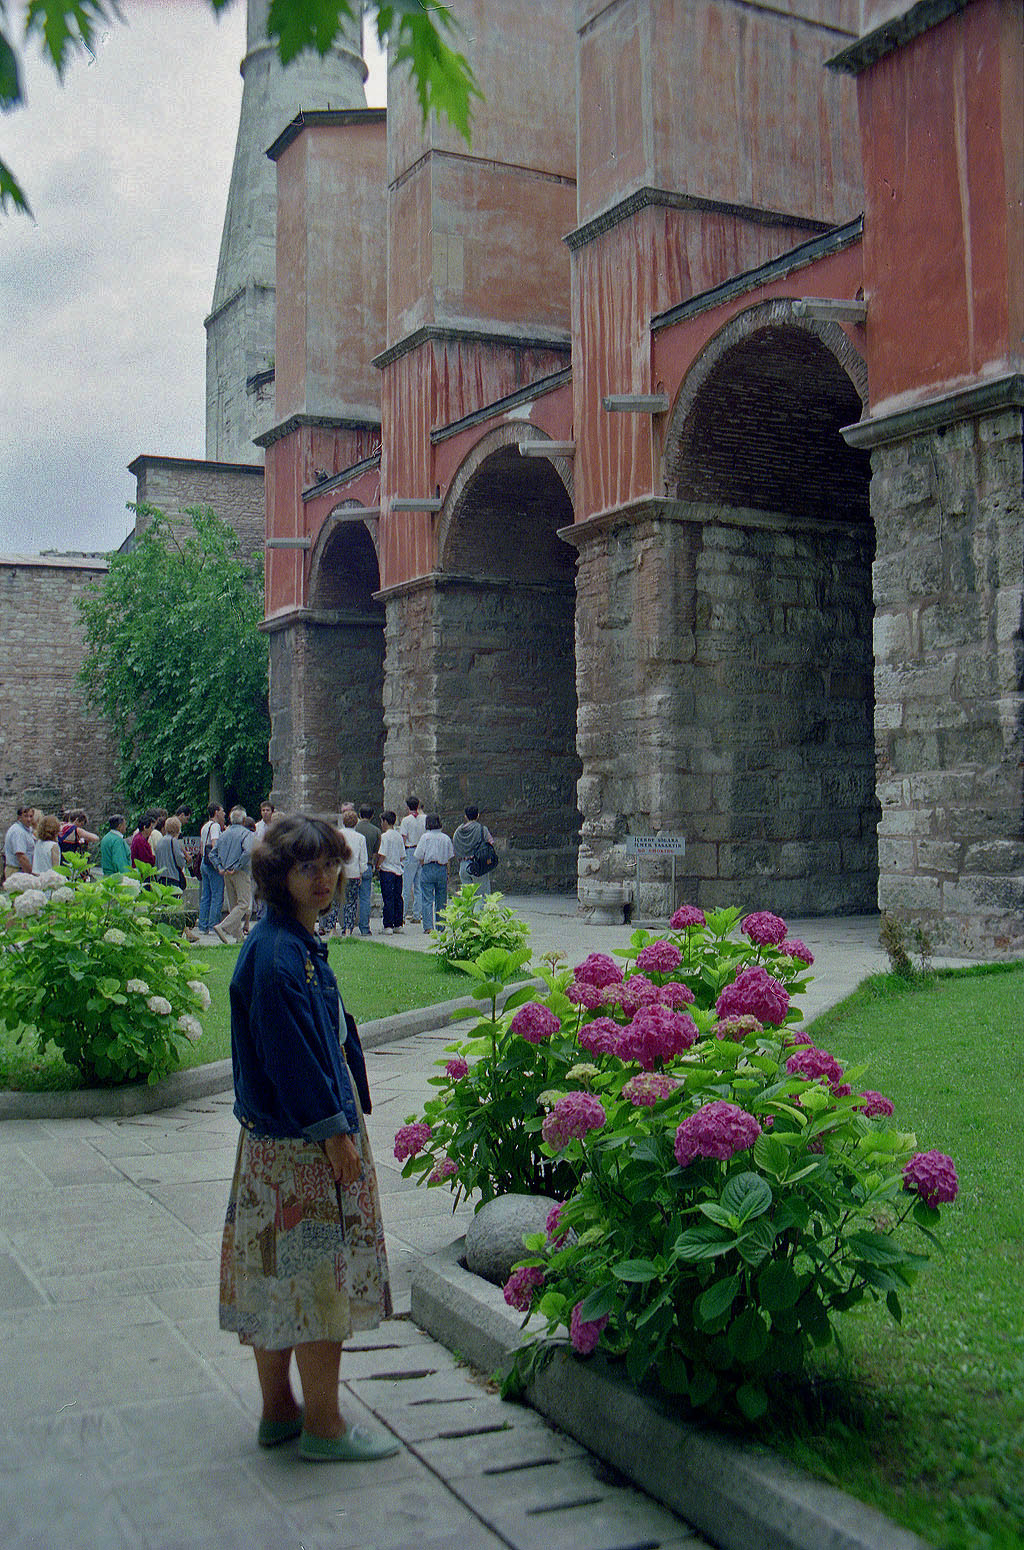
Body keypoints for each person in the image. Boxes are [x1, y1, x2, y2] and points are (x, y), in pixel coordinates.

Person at [218, 813, 397, 1464]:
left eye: (330, 864)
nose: (324, 878)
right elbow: (292, 1057)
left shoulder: (287, 942)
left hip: (278, 1148)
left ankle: (279, 1413)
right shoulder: (278, 954)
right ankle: (322, 1425)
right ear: (278, 875)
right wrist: (335, 1136)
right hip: (302, 1150)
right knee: (317, 1283)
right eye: (307, 867)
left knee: (275, 1279)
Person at [211, 806, 254, 943]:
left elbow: (212, 853)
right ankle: (223, 927)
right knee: (244, 903)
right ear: (243, 820)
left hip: (226, 873)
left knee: (233, 904)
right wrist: (237, 866)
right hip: (240, 872)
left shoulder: (224, 834)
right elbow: (247, 852)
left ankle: (238, 937)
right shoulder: (246, 834)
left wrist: (220, 867)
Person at [413, 814, 454, 933]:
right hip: (441, 868)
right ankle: (441, 925)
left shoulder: (425, 837)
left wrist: (423, 864)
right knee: (441, 899)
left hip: (428, 867)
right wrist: (448, 872)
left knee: (427, 898)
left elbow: (419, 855)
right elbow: (449, 857)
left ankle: (428, 926)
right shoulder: (445, 838)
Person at [452, 804, 495, 899]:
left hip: (463, 866)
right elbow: (490, 843)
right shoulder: (482, 829)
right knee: (482, 896)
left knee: (468, 899)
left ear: (465, 816)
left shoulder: (458, 831)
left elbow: (454, 847)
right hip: (479, 866)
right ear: (478, 815)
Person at [198, 803, 226, 935]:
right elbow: (215, 844)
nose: (224, 814)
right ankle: (213, 925)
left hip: (204, 863)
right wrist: (220, 863)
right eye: (222, 811)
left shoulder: (205, 826)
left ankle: (202, 925)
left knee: (206, 895)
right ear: (216, 812)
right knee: (216, 895)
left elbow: (202, 845)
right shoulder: (215, 826)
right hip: (212, 864)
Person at [339, 812, 368, 937]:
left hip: (339, 872)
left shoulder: (337, 835)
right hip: (354, 872)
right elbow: (363, 859)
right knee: (351, 902)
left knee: (335, 902)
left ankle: (331, 929)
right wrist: (361, 872)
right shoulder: (360, 838)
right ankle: (348, 929)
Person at [376, 811, 405, 935]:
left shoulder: (385, 836)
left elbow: (382, 854)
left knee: (388, 898)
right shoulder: (398, 836)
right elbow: (402, 855)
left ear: (385, 822)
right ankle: (398, 923)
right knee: (398, 897)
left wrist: (378, 864)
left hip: (387, 870)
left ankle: (388, 925)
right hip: (398, 870)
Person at [354, 805, 381, 937]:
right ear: (372, 815)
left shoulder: (355, 829)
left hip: (353, 867)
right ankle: (365, 928)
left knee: (350, 898)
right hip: (368, 865)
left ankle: (347, 926)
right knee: (365, 898)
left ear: (359, 814)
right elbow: (376, 852)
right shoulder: (376, 831)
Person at [399, 797, 425, 924]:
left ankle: (402, 915)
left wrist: (401, 854)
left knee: (407, 885)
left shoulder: (406, 820)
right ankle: (417, 914)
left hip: (409, 850)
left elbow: (403, 838)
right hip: (421, 852)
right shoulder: (424, 819)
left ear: (407, 806)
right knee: (419, 886)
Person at [153, 815, 188, 890]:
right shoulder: (173, 841)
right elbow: (180, 860)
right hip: (172, 877)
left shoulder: (160, 841)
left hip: (160, 877)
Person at [4, 804, 36, 880]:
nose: (29, 819)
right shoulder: (18, 832)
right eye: (26, 816)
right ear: (19, 818)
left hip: (21, 870)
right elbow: (21, 857)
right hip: (17, 871)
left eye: (31, 816)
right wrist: (31, 874)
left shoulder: (26, 829)